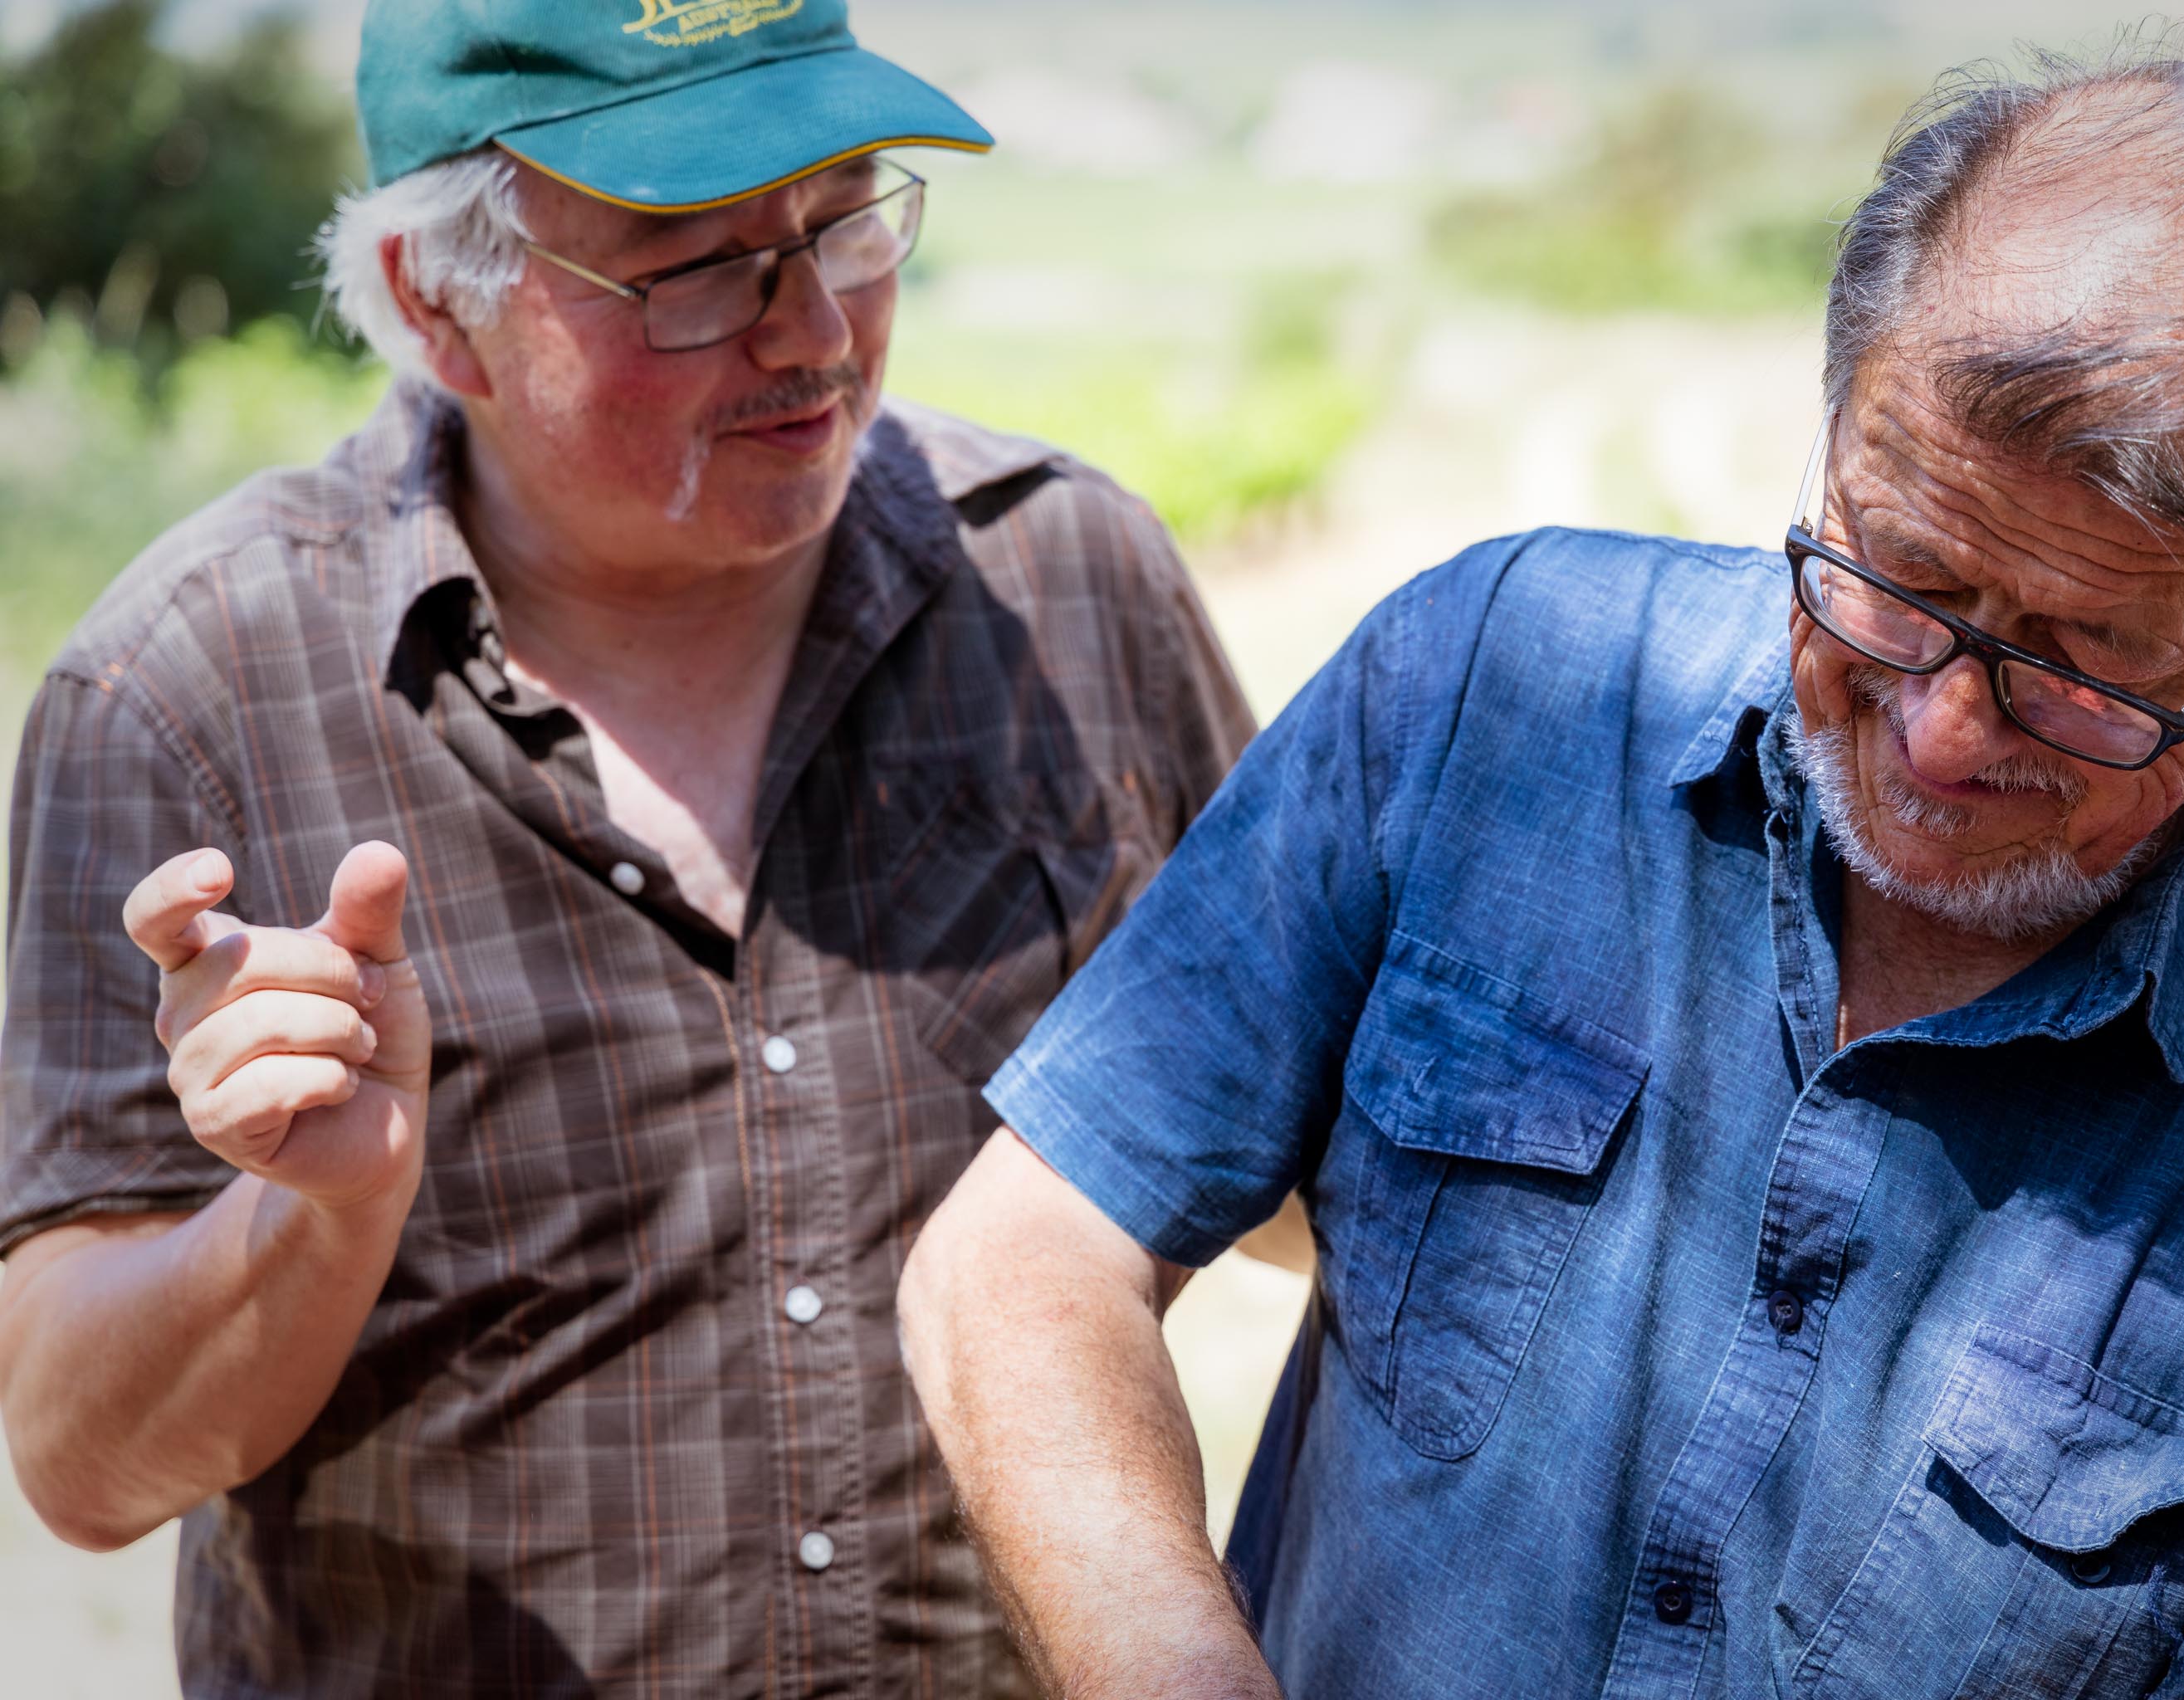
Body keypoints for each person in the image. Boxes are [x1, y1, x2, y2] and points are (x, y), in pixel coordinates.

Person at [898, 44, 2184, 1700]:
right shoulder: (1494, 677)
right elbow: (1028, 1253)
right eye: (1898, 574)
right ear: (1836, 422)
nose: (1941, 733)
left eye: (2085, 668)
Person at [0, 2, 1253, 1693]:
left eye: (845, 216)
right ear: (444, 308)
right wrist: (308, 1216)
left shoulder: (1064, 583)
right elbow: (83, 1467)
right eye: (691, 262)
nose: (810, 327)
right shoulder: (188, 691)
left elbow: (1313, 1176)